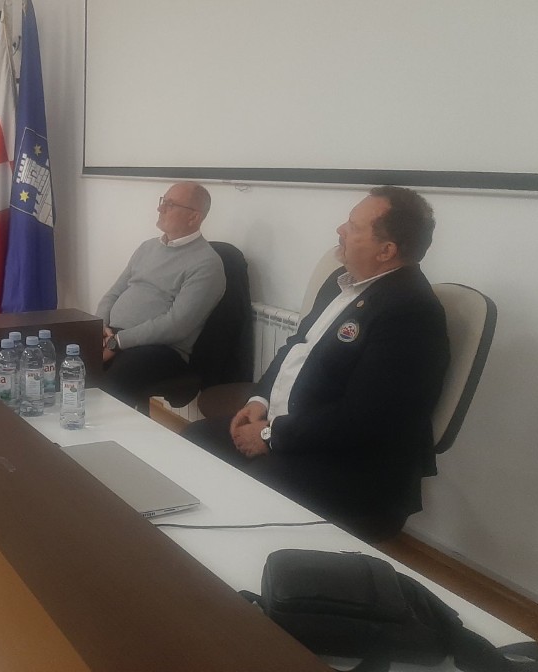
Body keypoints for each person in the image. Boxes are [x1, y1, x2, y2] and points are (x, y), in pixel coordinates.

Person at [184, 186, 449, 540]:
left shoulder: (411, 313)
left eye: (353, 226)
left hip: (351, 466)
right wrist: (259, 400)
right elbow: (296, 347)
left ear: (386, 251)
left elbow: (362, 420)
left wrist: (270, 435)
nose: (340, 230)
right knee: (194, 440)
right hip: (295, 431)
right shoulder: (341, 284)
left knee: (248, 496)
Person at [95, 182, 226, 411]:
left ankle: (108, 432)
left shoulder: (207, 264)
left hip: (161, 349)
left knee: (114, 383)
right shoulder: (147, 248)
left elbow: (177, 325)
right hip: (115, 335)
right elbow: (113, 293)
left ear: (194, 217)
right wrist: (100, 327)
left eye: (170, 204)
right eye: (163, 201)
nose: (160, 208)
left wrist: (117, 342)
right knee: (66, 356)